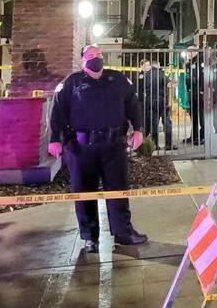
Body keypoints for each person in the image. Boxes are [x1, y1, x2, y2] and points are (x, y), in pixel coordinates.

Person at [49, 44, 148, 252]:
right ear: (82, 61)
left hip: (114, 146)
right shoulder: (71, 83)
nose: (96, 58)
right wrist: (55, 140)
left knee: (118, 190)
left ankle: (123, 232)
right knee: (84, 193)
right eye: (90, 55)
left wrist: (138, 130)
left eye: (98, 54)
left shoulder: (118, 80)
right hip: (81, 148)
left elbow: (134, 105)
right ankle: (90, 237)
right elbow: (57, 112)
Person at [141, 59, 174, 150]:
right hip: (163, 102)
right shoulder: (162, 74)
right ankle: (168, 145)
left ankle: (155, 145)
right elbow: (170, 85)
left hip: (150, 102)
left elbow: (142, 88)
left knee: (153, 124)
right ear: (158, 65)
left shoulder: (146, 75)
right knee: (167, 123)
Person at [184, 46, 205, 145]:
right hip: (191, 93)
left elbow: (203, 77)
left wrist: (201, 91)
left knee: (201, 116)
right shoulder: (189, 63)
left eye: (189, 52)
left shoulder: (200, 62)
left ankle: (203, 136)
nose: (187, 54)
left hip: (199, 93)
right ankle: (194, 136)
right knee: (194, 117)